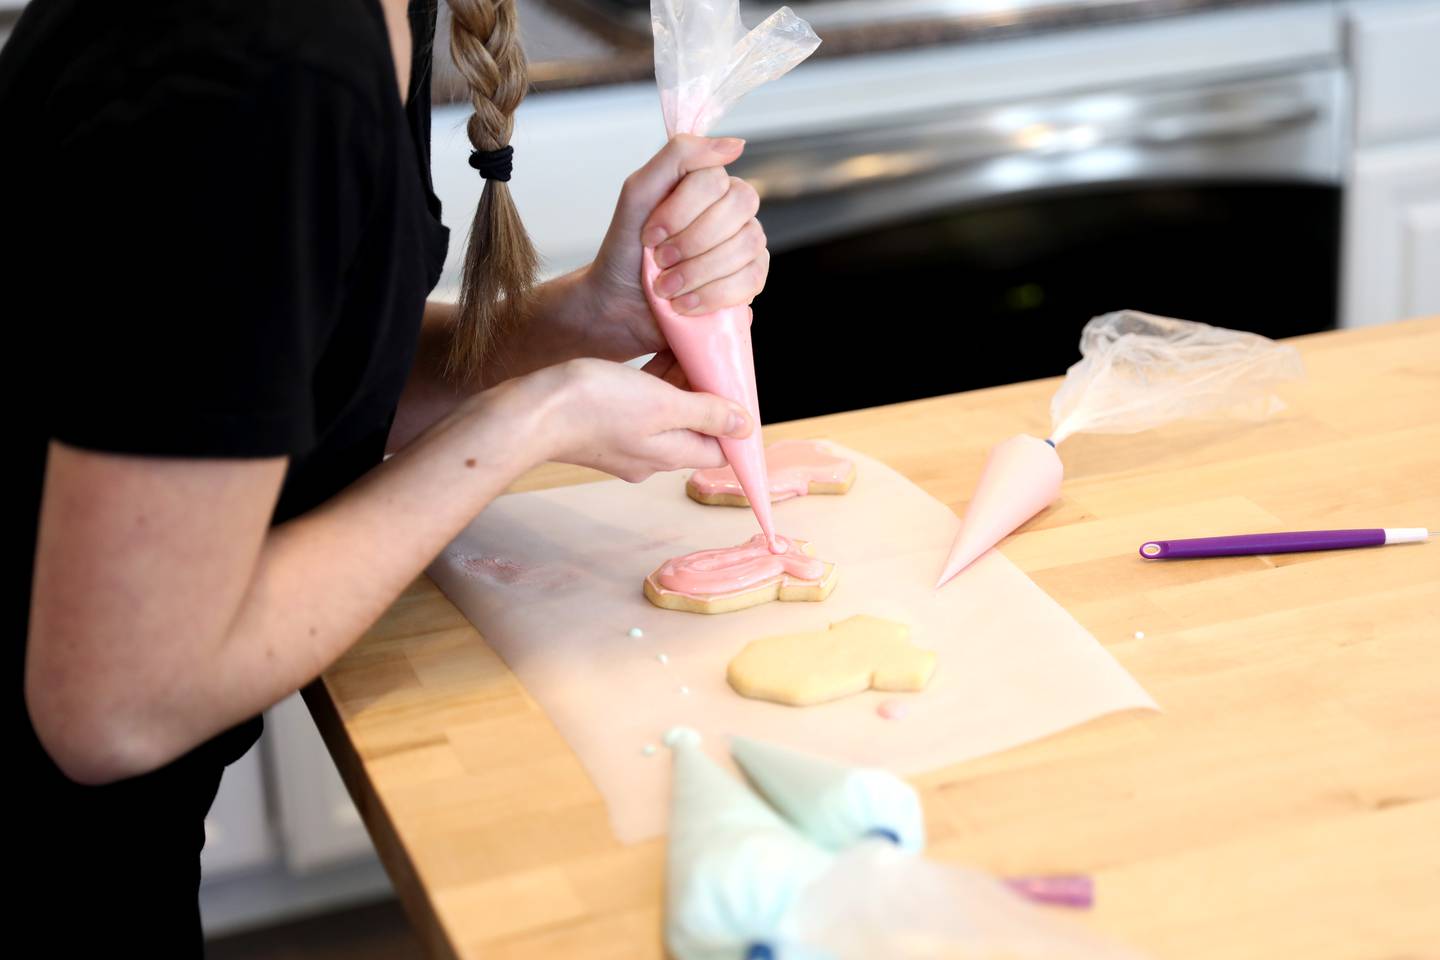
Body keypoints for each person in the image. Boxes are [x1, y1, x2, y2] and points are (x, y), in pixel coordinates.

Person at [4, 0, 771, 950]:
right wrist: (536, 419)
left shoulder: (370, 24)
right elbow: (119, 702)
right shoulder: (270, 58)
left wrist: (575, 323)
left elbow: (283, 378)